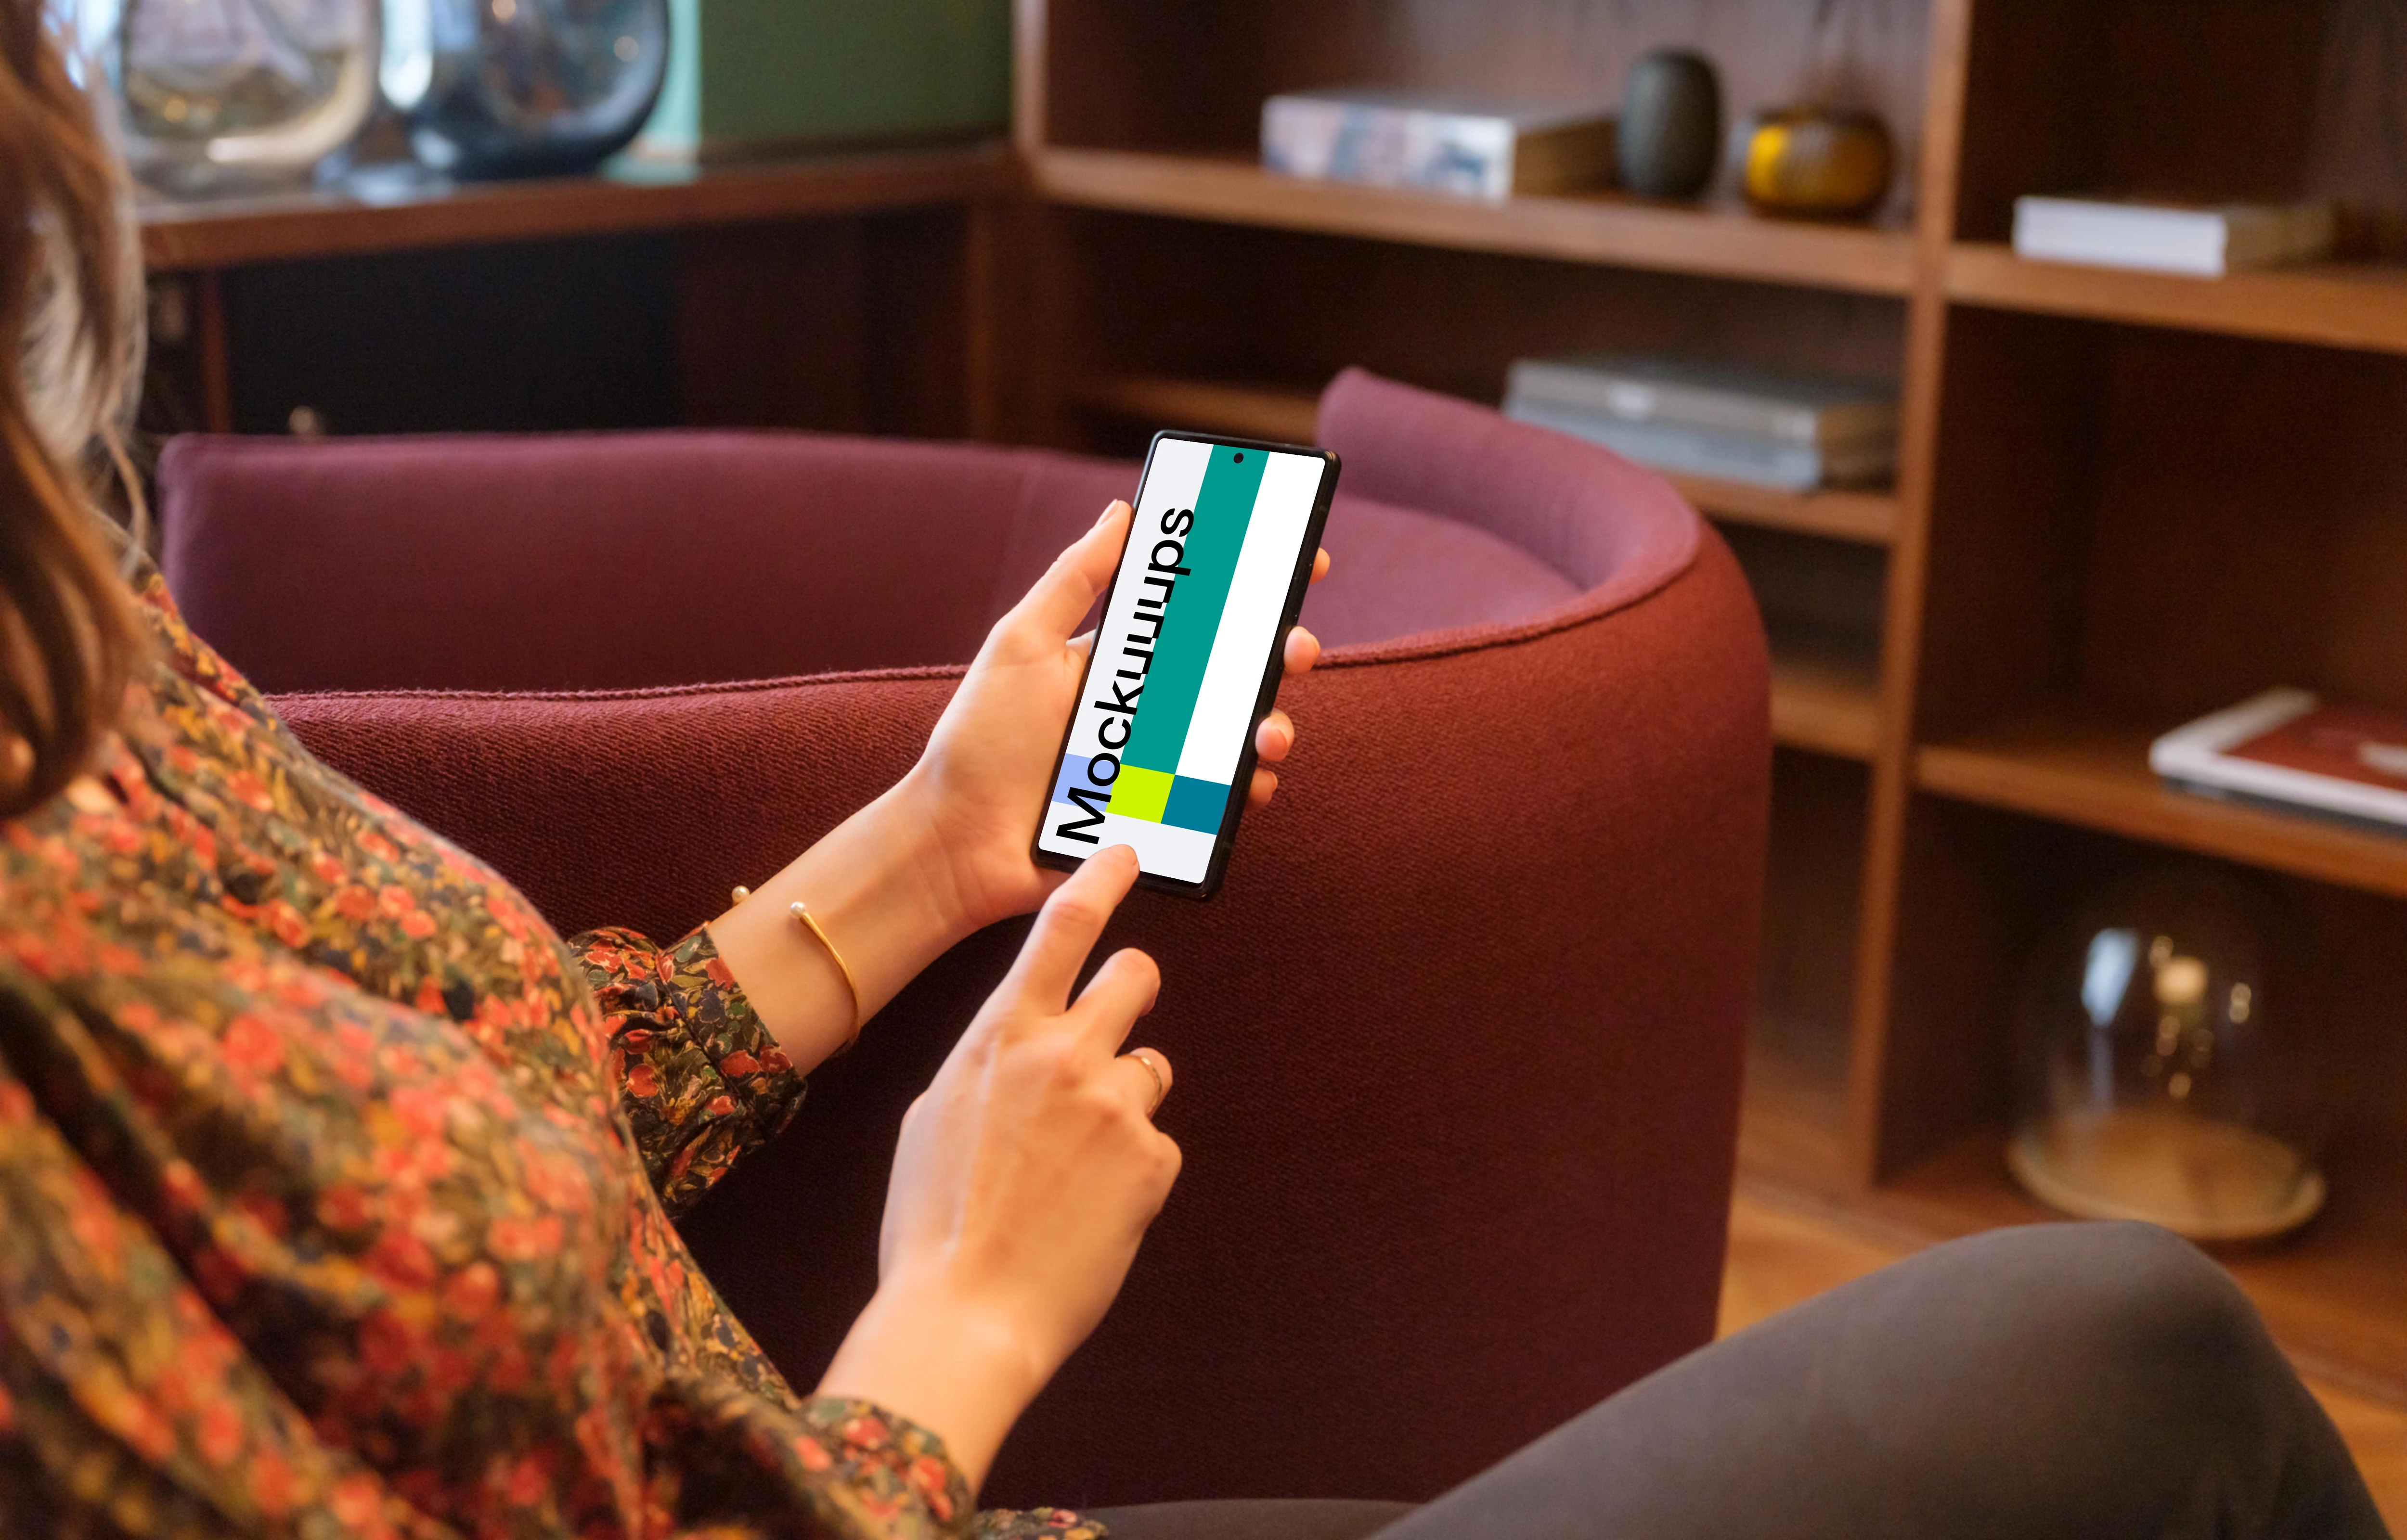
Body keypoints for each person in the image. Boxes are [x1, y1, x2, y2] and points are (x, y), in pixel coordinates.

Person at [0, 9, 2389, 1538]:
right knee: (2128, 1350)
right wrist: (958, 1314)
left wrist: (920, 850)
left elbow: (437, 1103)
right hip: (883, 1466)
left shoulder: (70, 674)